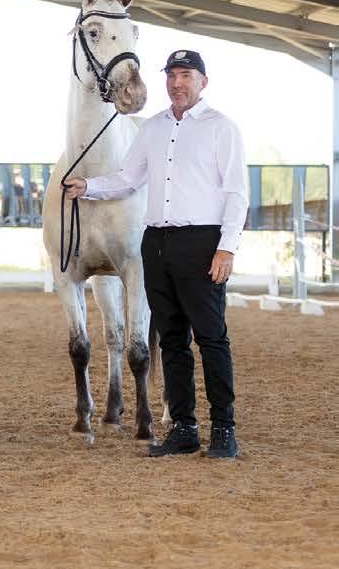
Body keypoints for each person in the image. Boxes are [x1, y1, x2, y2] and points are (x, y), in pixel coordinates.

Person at [66, 49, 248, 459]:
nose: (177, 83)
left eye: (186, 75)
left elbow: (237, 193)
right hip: (156, 243)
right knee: (172, 341)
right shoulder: (152, 128)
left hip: (202, 243)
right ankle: (184, 428)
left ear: (203, 81)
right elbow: (127, 178)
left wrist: (226, 247)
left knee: (211, 339)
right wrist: (88, 187)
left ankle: (224, 429)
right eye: (171, 75)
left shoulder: (222, 128)